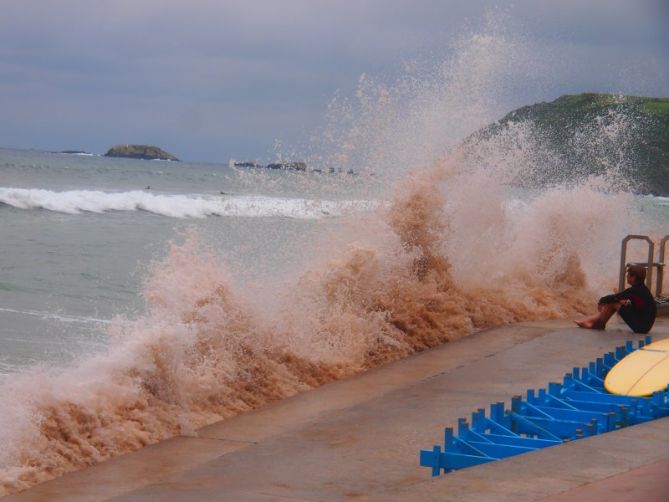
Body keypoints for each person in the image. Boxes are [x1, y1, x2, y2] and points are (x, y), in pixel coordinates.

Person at [576, 265, 656, 334]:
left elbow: (613, 297)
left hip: (641, 327)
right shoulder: (642, 289)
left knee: (614, 302)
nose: (626, 277)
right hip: (644, 326)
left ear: (633, 277)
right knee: (618, 301)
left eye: (628, 275)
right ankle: (596, 322)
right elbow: (638, 305)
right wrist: (622, 301)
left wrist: (600, 301)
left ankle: (598, 324)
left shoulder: (635, 290)